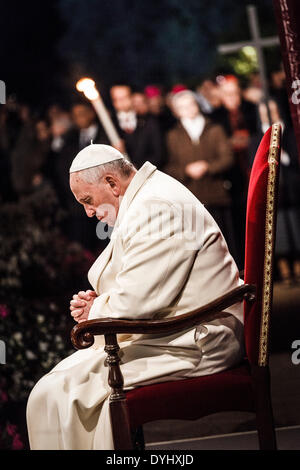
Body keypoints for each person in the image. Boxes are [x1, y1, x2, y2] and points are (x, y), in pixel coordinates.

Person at [26, 144, 244, 450]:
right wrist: (99, 303)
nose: (88, 212)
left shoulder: (157, 206)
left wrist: (96, 311)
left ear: (112, 184)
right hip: (176, 330)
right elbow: (148, 280)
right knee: (52, 387)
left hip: (200, 339)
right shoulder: (145, 197)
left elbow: (138, 303)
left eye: (88, 201)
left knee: (57, 392)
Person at [165, 89, 239, 265]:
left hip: (217, 195)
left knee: (226, 241)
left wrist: (208, 166)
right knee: (202, 248)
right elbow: (168, 167)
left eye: (190, 104)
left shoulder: (214, 129)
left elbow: (228, 158)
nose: (188, 109)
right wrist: (186, 170)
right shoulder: (172, 136)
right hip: (191, 199)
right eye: (182, 107)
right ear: (176, 111)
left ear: (196, 105)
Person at [110, 84, 164, 169]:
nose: (121, 101)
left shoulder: (149, 121)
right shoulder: (109, 125)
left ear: (132, 98)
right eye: (116, 99)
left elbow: (159, 154)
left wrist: (138, 168)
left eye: (124, 97)